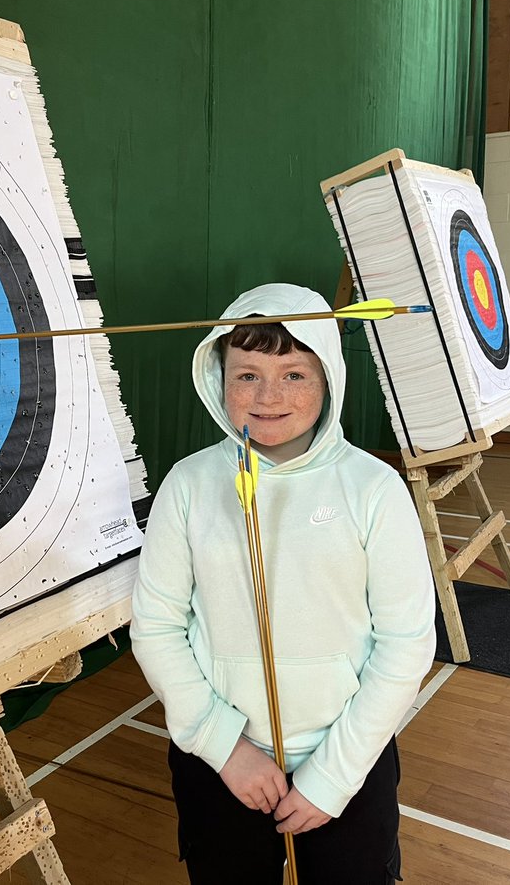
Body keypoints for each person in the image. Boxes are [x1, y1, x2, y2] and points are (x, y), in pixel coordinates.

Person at [130, 282, 436, 884]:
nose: (268, 395)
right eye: (246, 374)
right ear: (218, 377)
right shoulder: (189, 485)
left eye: (294, 374)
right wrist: (224, 747)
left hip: (348, 762)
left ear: (329, 381)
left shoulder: (373, 489)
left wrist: (332, 777)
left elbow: (406, 644)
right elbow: (158, 627)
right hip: (221, 766)